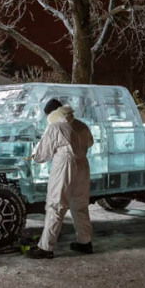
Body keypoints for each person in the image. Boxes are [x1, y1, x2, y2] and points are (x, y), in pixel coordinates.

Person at [26, 99, 94, 259]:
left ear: (50, 114)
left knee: (56, 205)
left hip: (65, 165)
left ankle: (45, 247)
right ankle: (85, 242)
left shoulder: (55, 127)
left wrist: (32, 156)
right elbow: (90, 142)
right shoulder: (81, 125)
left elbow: (42, 155)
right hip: (83, 164)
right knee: (80, 205)